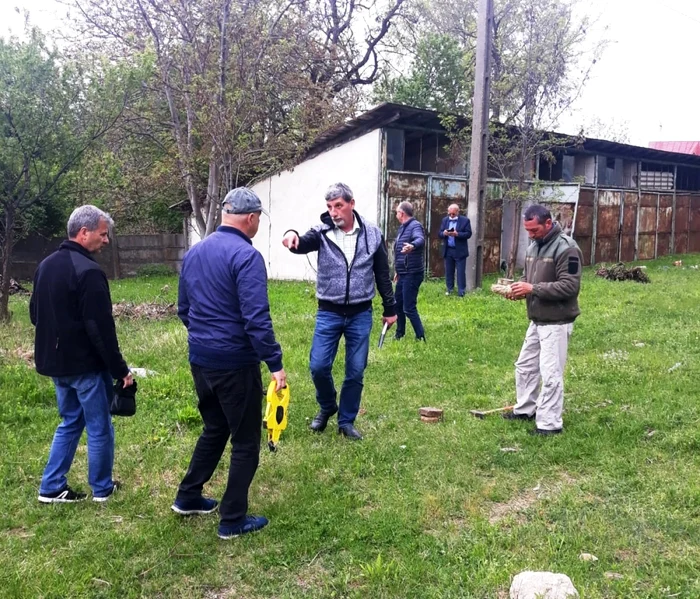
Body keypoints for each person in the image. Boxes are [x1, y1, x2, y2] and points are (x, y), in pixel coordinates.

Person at [174, 187, 286, 539]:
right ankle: (232, 520)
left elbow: (183, 309)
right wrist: (275, 363)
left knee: (215, 427)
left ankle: (188, 496)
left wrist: (206, 338)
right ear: (251, 218)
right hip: (235, 364)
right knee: (245, 440)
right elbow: (256, 319)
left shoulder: (195, 252)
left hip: (201, 360)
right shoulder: (246, 257)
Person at [31, 205, 133, 504]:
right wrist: (120, 369)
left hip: (56, 365)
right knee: (100, 426)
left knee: (70, 422)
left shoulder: (45, 265)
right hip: (85, 367)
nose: (106, 240)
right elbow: (101, 329)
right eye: (103, 234)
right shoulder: (89, 272)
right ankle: (102, 488)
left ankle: (51, 487)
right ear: (83, 232)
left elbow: (35, 314)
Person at [282, 182, 397, 440]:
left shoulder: (372, 234)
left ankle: (346, 421)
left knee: (355, 370)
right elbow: (301, 242)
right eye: (329, 207)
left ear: (351, 204)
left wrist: (390, 308)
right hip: (329, 312)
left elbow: (382, 274)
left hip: (360, 313)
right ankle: (327, 406)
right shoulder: (321, 232)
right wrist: (291, 234)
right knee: (318, 366)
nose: (333, 212)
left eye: (338, 206)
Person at [503, 204, 583, 435]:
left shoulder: (567, 248)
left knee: (550, 374)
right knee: (525, 366)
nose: (530, 234)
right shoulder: (534, 246)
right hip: (537, 319)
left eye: (534, 230)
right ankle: (525, 409)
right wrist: (519, 289)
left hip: (556, 322)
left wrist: (532, 288)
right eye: (527, 230)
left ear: (548, 223)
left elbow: (570, 286)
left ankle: (549, 424)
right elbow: (530, 279)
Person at [393, 201, 426, 342]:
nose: (396, 215)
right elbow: (400, 252)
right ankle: (399, 334)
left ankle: (420, 337)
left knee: (408, 307)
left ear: (402, 213)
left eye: (396, 212)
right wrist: (398, 270)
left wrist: (412, 245)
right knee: (397, 304)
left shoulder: (415, 226)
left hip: (412, 273)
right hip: (403, 273)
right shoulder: (402, 228)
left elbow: (420, 239)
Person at [438, 203, 472, 296]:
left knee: (460, 272)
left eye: (453, 214)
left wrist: (457, 234)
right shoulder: (445, 220)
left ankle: (461, 291)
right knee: (449, 271)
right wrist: (444, 233)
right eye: (450, 214)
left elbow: (468, 234)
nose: (451, 215)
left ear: (458, 212)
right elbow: (439, 233)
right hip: (448, 249)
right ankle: (449, 289)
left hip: (460, 250)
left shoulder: (465, 221)